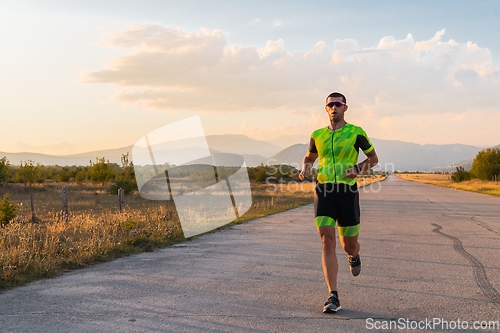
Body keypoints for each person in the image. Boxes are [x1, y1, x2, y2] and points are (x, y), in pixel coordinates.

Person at [299, 92, 378, 313]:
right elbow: (310, 157)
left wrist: (358, 168)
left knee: (347, 245)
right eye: (330, 105)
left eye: (338, 104)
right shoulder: (317, 135)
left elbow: (373, 159)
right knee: (327, 240)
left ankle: (354, 255)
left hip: (347, 193)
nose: (334, 108)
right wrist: (305, 166)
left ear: (345, 107)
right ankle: (333, 295)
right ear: (326, 109)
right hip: (323, 190)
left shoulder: (356, 133)